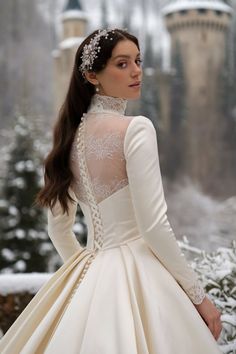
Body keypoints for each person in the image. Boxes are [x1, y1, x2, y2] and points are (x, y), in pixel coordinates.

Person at [0, 28, 222, 354]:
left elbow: (58, 230)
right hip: (143, 271)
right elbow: (154, 226)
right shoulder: (137, 129)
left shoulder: (66, 140)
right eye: (122, 63)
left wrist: (91, 278)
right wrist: (199, 297)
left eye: (138, 60)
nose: (136, 71)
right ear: (92, 75)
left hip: (89, 267)